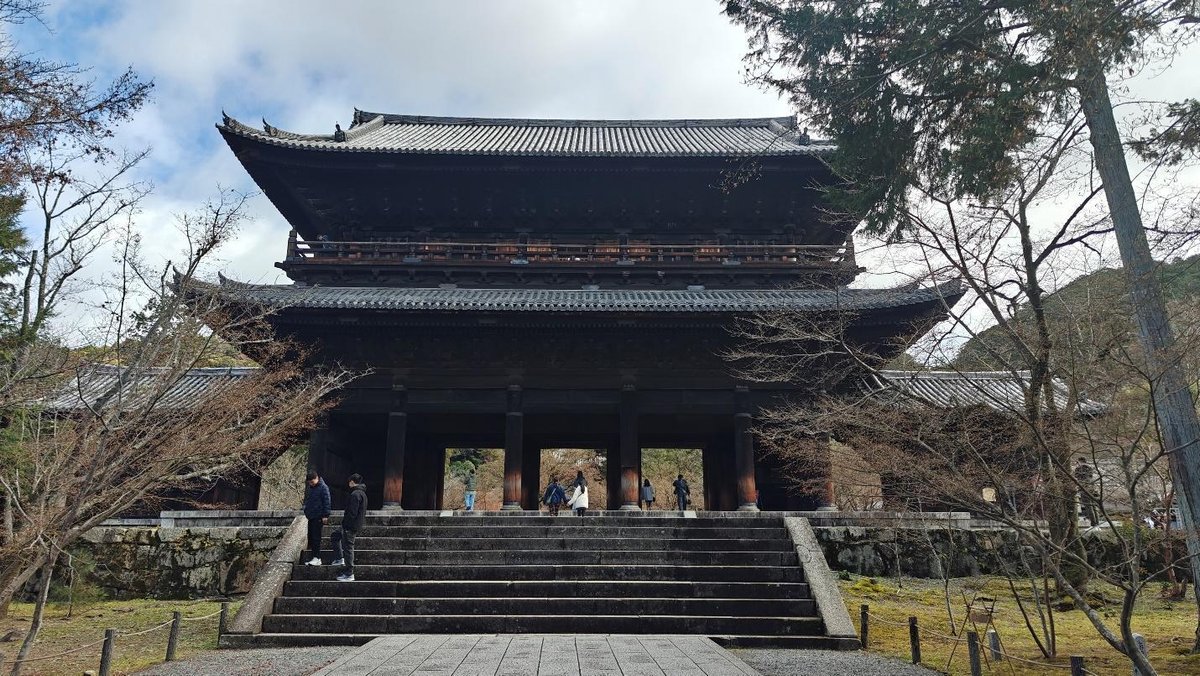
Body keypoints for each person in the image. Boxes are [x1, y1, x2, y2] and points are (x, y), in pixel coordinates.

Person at [331, 473, 367, 582]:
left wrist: (346, 525)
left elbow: (352, 513)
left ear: (352, 481)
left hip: (350, 525)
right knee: (335, 536)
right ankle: (339, 558)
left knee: (348, 548)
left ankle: (349, 572)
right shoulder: (362, 494)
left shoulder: (355, 494)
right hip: (353, 524)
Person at [302, 470, 331, 566]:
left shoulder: (323, 488)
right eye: (309, 482)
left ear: (316, 478)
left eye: (312, 481)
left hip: (318, 516)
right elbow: (309, 500)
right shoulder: (312, 488)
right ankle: (314, 557)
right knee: (311, 537)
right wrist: (305, 509)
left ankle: (317, 557)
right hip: (311, 516)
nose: (311, 484)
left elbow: (327, 502)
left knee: (316, 537)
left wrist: (325, 515)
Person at [1073, 457, 1099, 526]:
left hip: (1084, 488)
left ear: (1079, 461)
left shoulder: (1078, 469)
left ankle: (1093, 523)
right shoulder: (1090, 468)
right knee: (1094, 506)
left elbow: (1076, 476)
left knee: (1088, 506)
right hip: (1092, 488)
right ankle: (1097, 522)